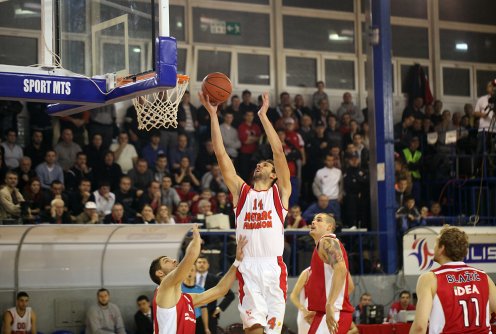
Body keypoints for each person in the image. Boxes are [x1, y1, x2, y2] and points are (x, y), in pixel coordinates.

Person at [200, 91, 291, 333]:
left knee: (273, 330)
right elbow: (221, 156)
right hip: (248, 266)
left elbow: (279, 152)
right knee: (252, 329)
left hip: (273, 267)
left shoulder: (279, 193)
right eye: (259, 163)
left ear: (274, 175)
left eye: (266, 165)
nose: (260, 164)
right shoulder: (241, 193)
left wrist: (263, 116)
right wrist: (213, 115)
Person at [149, 224, 247, 333]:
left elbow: (220, 290)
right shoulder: (163, 287)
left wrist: (237, 261)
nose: (174, 261)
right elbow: (190, 257)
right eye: (167, 261)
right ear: (159, 272)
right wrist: (196, 238)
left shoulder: (186, 299)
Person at [410, 226, 496, 333]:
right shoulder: (484, 277)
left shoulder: (430, 279)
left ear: (442, 248)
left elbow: (419, 327)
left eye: (436, 243)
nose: (434, 247)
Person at [306, 213, 354, 334]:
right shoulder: (323, 246)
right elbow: (350, 285)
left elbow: (341, 269)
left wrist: (330, 304)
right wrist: (320, 303)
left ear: (329, 227)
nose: (313, 222)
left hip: (333, 312)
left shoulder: (327, 241)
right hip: (324, 312)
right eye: (313, 220)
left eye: (319, 220)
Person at [195, 255, 235, 334]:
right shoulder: (190, 278)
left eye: (204, 262)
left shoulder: (215, 279)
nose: (201, 264)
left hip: (210, 316)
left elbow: (230, 295)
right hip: (193, 316)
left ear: (208, 265)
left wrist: (219, 308)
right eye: (199, 262)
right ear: (195, 264)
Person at [181, 265, 209, 333]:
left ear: (196, 272)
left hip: (197, 321)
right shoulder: (178, 289)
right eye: (187, 270)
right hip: (183, 321)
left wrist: (206, 328)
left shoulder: (201, 289)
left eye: (192, 270)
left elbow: (204, 309)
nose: (189, 272)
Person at [290, 267, 311, 334]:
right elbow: (293, 296)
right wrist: (303, 310)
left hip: (322, 315)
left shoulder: (329, 271)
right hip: (306, 314)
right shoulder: (306, 273)